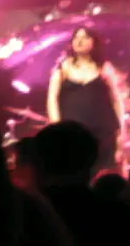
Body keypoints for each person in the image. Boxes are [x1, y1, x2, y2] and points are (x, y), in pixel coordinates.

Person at [46, 27, 124, 171]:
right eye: (76, 37)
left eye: (85, 37)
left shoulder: (104, 68)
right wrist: (57, 128)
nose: (79, 41)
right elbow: (52, 99)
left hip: (103, 134)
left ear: (94, 42)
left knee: (102, 173)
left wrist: (122, 131)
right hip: (72, 133)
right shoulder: (63, 68)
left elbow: (117, 100)